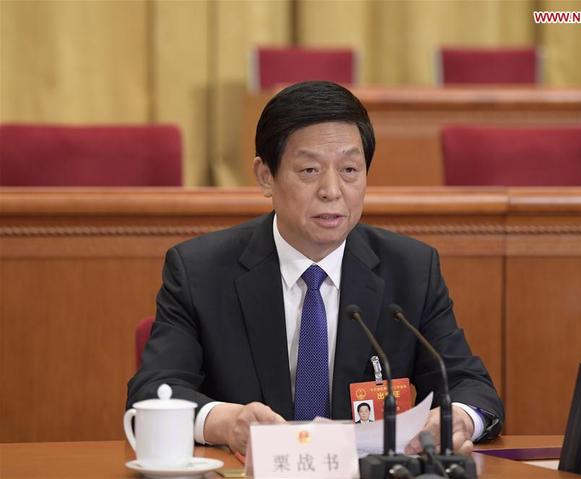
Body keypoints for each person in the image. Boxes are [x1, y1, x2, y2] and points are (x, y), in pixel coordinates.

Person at [127, 81, 504, 456]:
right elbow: (155, 389)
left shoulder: (410, 270)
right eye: (309, 170)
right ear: (265, 176)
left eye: (350, 170)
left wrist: (459, 419)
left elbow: (471, 387)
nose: (332, 190)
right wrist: (226, 423)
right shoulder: (200, 271)